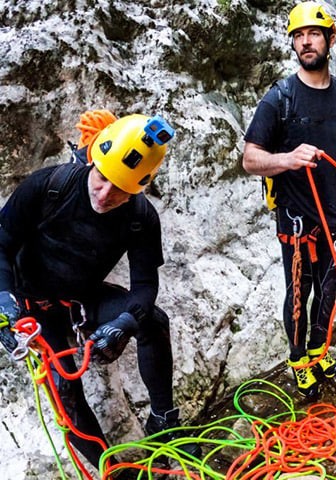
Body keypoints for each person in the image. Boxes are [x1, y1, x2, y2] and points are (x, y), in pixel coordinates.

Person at [0, 111, 202, 473]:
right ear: (94, 159)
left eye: (121, 189)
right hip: (32, 303)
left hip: (81, 297)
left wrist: (123, 323)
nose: (106, 194)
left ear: (138, 188)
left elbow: (144, 287)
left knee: (152, 322)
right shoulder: (50, 186)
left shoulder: (141, 217)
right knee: (66, 391)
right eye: (103, 179)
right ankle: (110, 470)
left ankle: (164, 421)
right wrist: (4, 303)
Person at [243, 2, 336, 398]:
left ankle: (318, 350)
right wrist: (288, 159)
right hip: (297, 221)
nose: (306, 42)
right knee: (299, 293)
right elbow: (250, 158)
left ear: (330, 39)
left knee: (327, 290)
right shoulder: (280, 100)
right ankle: (297, 359)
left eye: (314, 34)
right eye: (299, 35)